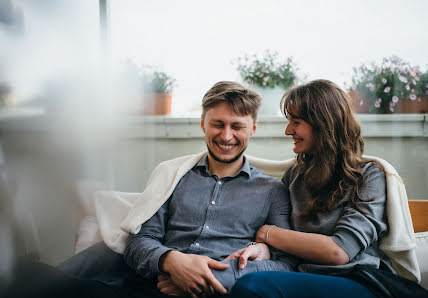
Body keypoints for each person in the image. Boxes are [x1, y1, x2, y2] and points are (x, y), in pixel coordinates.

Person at [2, 81, 297, 298]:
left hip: (218, 292)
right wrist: (173, 262)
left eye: (237, 126)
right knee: (27, 277)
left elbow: (286, 266)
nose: (226, 135)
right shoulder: (172, 174)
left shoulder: (272, 190)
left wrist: (209, 277)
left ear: (254, 129)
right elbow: (139, 241)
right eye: (217, 124)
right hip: (147, 287)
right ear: (203, 124)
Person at [227, 80, 428, 298]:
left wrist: (267, 232)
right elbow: (286, 247)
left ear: (323, 123)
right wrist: (260, 247)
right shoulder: (294, 177)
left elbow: (339, 251)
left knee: (252, 286)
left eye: (296, 122)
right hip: (306, 279)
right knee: (242, 278)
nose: (288, 131)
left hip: (359, 280)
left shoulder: (369, 175)